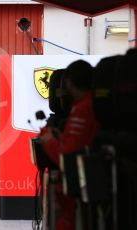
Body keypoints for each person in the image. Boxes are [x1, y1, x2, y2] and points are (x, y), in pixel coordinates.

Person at [40, 60, 100, 230]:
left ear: (69, 83)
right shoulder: (91, 106)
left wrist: (49, 141)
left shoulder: (82, 109)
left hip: (77, 192)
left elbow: (67, 157)